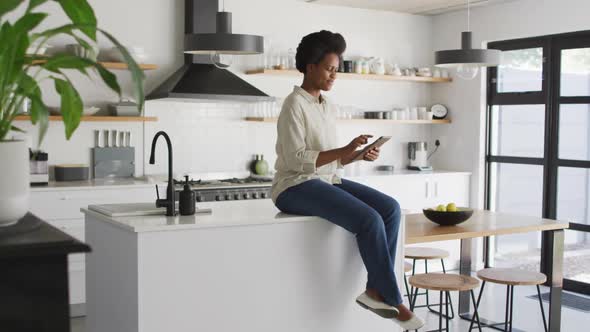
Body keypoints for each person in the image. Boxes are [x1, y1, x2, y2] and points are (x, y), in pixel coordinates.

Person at [270, 30, 424, 330]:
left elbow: (330, 159)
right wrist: (343, 150)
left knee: (390, 209)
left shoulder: (326, 106)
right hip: (294, 186)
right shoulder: (293, 104)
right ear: (310, 67)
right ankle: (394, 299)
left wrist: (356, 155)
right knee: (368, 219)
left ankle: (374, 290)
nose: (334, 75)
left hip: (326, 180)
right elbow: (295, 159)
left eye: (336, 69)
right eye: (329, 68)